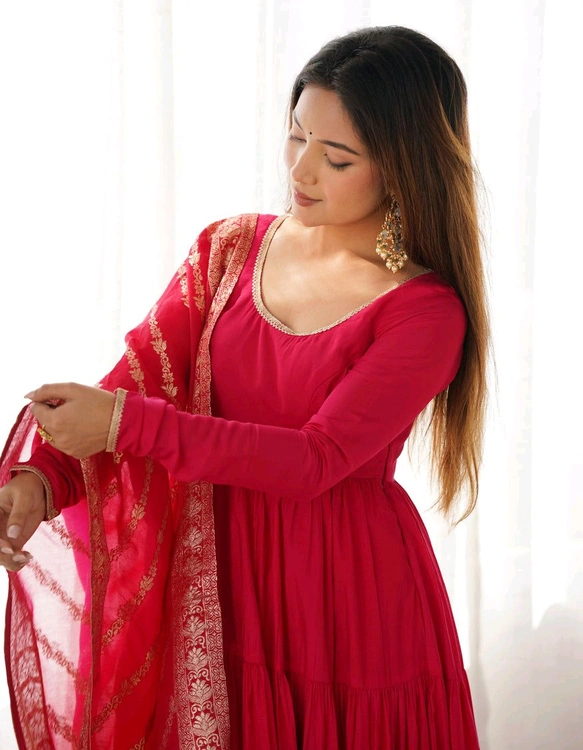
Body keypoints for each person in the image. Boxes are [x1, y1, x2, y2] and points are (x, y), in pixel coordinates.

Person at [0, 24, 488, 750]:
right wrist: (42, 479)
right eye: (296, 136)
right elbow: (138, 381)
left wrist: (125, 422)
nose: (302, 169)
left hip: (341, 605)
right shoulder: (230, 249)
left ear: (405, 166)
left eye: (337, 156)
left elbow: (315, 460)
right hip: (211, 580)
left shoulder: (424, 313)